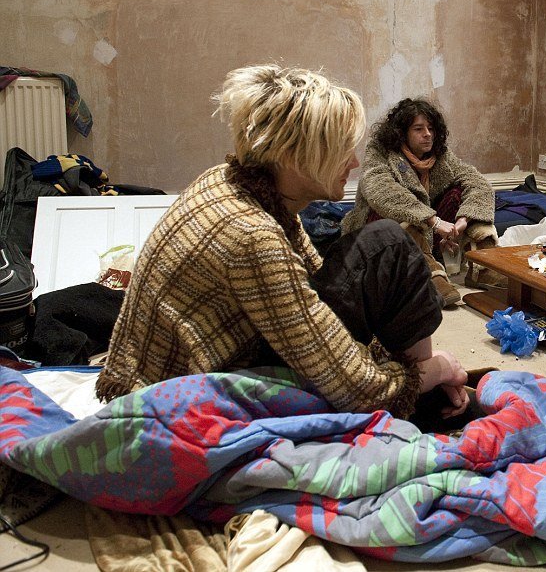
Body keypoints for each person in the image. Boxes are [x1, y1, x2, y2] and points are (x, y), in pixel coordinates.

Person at [96, 65, 469, 421]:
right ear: (294, 156)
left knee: (382, 246)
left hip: (215, 357)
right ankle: (421, 395)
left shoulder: (239, 184)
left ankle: (419, 384)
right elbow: (357, 390)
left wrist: (383, 358)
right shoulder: (252, 235)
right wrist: (430, 372)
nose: (354, 162)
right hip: (178, 397)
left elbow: (313, 293)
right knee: (388, 243)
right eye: (342, 149)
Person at [342, 98, 505, 308]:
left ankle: (484, 267)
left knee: (463, 196)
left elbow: (477, 183)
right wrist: (434, 222)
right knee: (397, 212)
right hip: (377, 232)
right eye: (418, 129)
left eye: (430, 128)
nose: (427, 134)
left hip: (428, 233)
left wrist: (463, 219)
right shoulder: (380, 151)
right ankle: (429, 274)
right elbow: (381, 190)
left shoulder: (440, 155)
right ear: (402, 133)